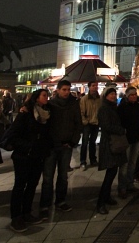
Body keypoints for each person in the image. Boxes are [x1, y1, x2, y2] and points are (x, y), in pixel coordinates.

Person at [8, 89, 53, 232]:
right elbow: (13, 135)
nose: (47, 98)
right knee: (20, 185)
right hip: (23, 155)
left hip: (38, 155)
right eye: (44, 95)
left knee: (32, 184)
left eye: (48, 95)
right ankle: (16, 217)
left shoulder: (46, 114)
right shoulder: (25, 114)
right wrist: (29, 146)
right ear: (36, 98)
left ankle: (27, 212)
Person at [39, 80, 82, 218]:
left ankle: (60, 201)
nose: (66, 92)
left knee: (63, 175)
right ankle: (45, 204)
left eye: (68, 89)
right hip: (52, 146)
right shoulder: (50, 105)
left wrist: (72, 141)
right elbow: (46, 126)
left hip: (67, 145)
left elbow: (78, 124)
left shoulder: (73, 104)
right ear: (57, 90)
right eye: (64, 89)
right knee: (48, 177)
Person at [96, 87, 127, 214]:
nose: (113, 96)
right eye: (111, 94)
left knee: (112, 171)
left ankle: (107, 197)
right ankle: (100, 203)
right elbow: (106, 126)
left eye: (114, 94)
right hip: (109, 143)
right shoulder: (104, 108)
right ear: (106, 96)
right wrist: (121, 130)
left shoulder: (112, 107)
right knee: (110, 174)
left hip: (114, 142)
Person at [117, 86, 139, 199]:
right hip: (126, 139)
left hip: (136, 138)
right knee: (124, 164)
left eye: (135, 94)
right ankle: (122, 187)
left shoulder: (138, 106)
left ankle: (130, 184)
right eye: (131, 95)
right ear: (127, 96)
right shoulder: (122, 107)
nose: (134, 96)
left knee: (133, 162)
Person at [79, 81, 101, 170]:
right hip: (87, 124)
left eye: (96, 85)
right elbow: (81, 111)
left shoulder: (99, 99)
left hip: (96, 123)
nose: (95, 87)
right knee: (84, 143)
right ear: (89, 87)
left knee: (93, 142)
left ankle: (93, 159)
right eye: (93, 85)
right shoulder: (84, 99)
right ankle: (83, 161)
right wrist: (85, 121)